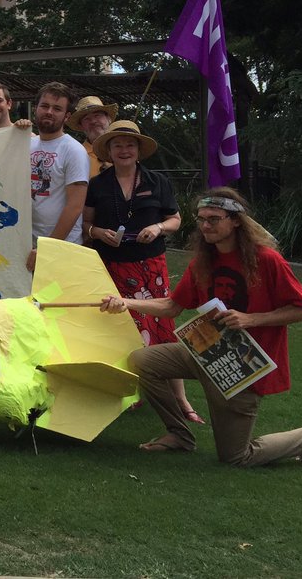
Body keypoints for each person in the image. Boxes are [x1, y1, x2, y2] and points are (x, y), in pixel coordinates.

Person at [101, 188, 302, 466]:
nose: (205, 226)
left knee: (236, 457)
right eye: (201, 219)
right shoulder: (203, 261)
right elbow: (172, 306)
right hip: (205, 351)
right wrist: (125, 302)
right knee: (142, 360)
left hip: (244, 366)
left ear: (236, 220)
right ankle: (179, 434)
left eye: (214, 219)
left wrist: (251, 319)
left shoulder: (267, 259)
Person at [83, 120, 200, 423]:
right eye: (117, 145)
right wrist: (98, 232)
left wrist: (157, 226)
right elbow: (85, 225)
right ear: (108, 150)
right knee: (121, 328)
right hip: (111, 266)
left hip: (151, 267)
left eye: (130, 145)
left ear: (139, 150)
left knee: (162, 327)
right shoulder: (97, 184)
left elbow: (175, 219)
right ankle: (129, 390)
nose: (124, 150)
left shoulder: (157, 181)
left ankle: (181, 399)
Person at [28, 82, 88, 272]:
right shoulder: (27, 144)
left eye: (57, 108)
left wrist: (48, 248)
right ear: (35, 108)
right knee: (31, 300)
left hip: (61, 247)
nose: (49, 112)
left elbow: (75, 206)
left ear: (67, 116)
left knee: (55, 298)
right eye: (44, 106)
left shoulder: (74, 150)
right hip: (29, 244)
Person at [67, 95, 118, 178]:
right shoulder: (76, 155)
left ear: (108, 118)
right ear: (81, 126)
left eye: (97, 115)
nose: (93, 121)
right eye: (87, 119)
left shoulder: (124, 150)